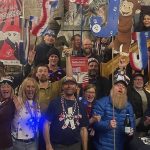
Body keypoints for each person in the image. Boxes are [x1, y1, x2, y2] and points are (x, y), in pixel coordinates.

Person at [43, 76, 89, 150]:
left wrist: (85, 148)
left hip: (75, 145)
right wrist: (48, 145)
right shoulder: (55, 103)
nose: (69, 86)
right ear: (62, 87)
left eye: (72, 84)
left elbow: (83, 129)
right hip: (57, 145)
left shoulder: (81, 105)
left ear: (76, 86)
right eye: (66, 84)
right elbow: (46, 124)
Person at [93, 79, 135, 150]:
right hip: (102, 146)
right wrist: (107, 124)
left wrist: (131, 130)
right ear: (112, 89)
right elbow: (95, 124)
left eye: (123, 87)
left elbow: (131, 123)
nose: (121, 87)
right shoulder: (101, 103)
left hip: (121, 145)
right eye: (118, 85)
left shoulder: (128, 106)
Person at [12, 77, 41, 150]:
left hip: (33, 141)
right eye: (28, 86)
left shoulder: (36, 103)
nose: (30, 89)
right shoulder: (17, 100)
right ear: (23, 88)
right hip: (19, 143)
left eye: (33, 87)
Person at [80, 84, 100, 150]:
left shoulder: (98, 105)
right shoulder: (79, 105)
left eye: (93, 92)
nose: (91, 95)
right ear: (84, 93)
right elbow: (78, 125)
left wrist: (94, 128)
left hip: (95, 138)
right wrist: (90, 121)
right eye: (88, 92)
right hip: (81, 138)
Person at [0, 76, 15, 150]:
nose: (5, 89)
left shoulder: (11, 103)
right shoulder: (2, 102)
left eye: (8, 87)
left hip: (5, 143)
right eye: (3, 87)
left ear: (11, 89)